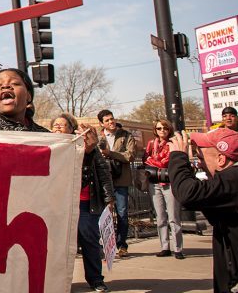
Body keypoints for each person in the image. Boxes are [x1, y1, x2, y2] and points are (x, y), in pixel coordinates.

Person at [168, 128, 238, 293]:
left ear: (221, 159)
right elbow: (202, 202)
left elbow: (187, 194)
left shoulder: (233, 178)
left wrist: (178, 157)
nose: (199, 163)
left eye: (201, 158)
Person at [51, 114, 112, 292]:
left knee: (89, 241)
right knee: (59, 245)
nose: (57, 128)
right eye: (55, 125)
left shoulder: (88, 147)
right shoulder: (50, 148)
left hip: (85, 204)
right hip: (59, 204)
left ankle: (95, 279)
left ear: (72, 129)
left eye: (62, 125)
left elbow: (103, 172)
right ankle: (60, 281)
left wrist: (109, 198)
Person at [97, 109, 138, 257]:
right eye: (107, 120)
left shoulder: (126, 135)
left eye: (112, 119)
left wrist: (111, 154)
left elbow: (130, 155)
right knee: (103, 214)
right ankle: (106, 245)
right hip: (103, 180)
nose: (111, 122)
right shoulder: (97, 137)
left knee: (122, 213)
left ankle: (122, 245)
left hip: (121, 180)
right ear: (101, 123)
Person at [145, 118, 184, 259]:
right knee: (160, 217)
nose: (162, 131)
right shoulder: (151, 144)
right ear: (155, 130)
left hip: (170, 182)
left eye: (165, 128)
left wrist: (154, 162)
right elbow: (146, 160)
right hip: (154, 182)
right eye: (159, 128)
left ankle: (178, 248)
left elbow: (167, 161)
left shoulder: (173, 143)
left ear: (169, 130)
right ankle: (165, 246)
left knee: (174, 216)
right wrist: (154, 162)